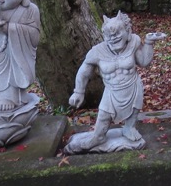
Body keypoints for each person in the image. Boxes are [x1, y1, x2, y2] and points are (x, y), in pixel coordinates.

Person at [66, 11, 164, 153]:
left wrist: (148, 42)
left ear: (128, 31)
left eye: (118, 34)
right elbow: (84, 72)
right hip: (111, 91)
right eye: (109, 35)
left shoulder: (133, 43)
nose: (113, 38)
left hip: (133, 87)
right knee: (104, 116)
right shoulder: (97, 52)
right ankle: (98, 137)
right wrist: (78, 92)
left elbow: (144, 61)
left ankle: (129, 128)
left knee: (133, 114)